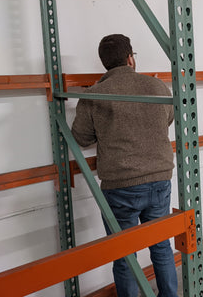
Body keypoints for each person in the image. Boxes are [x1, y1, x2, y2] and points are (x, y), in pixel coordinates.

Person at [71, 34, 178, 297]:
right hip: (160, 178)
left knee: (124, 254)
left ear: (105, 63)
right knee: (161, 246)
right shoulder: (157, 87)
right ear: (130, 58)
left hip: (121, 186)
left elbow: (81, 138)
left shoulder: (95, 94)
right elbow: (168, 118)